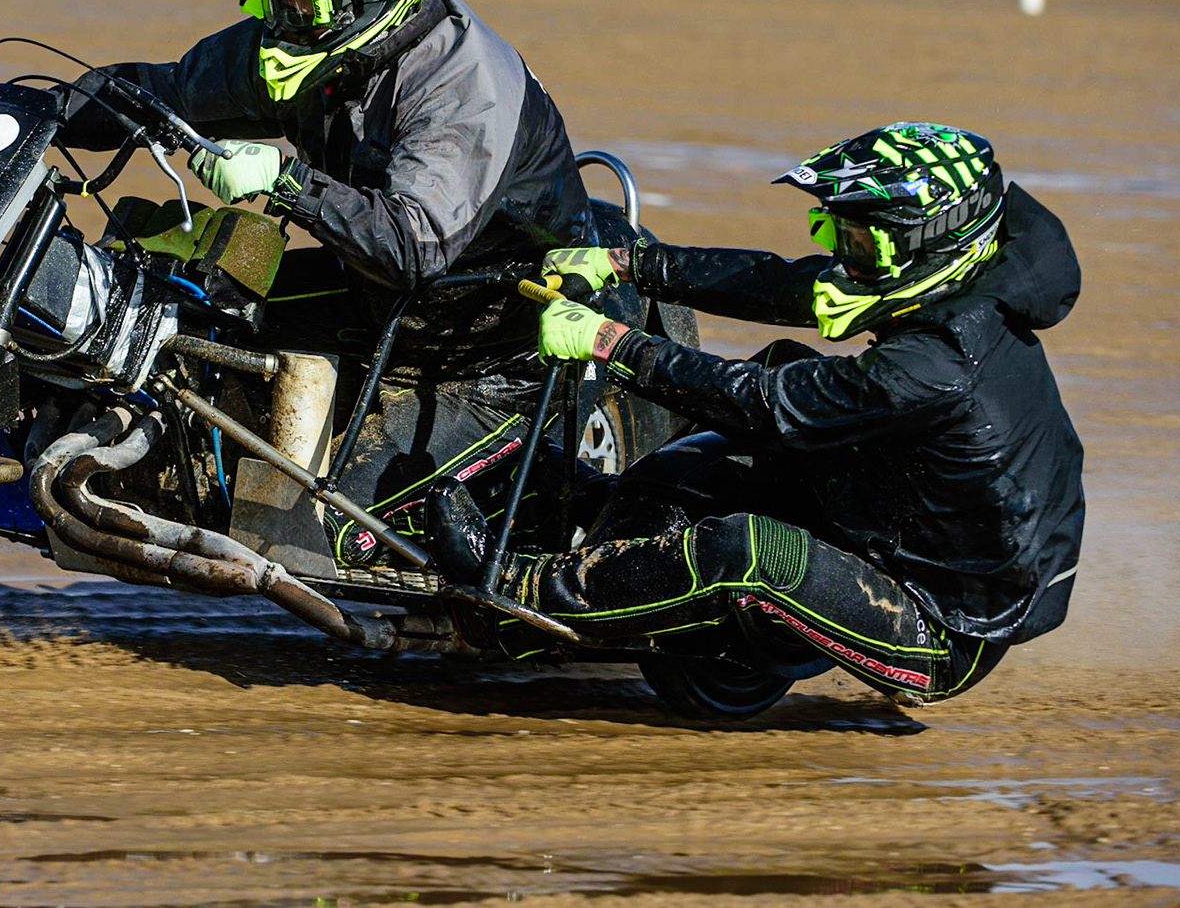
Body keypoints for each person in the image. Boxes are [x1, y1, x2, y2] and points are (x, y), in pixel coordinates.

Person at [441, 122, 1083, 708]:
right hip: (893, 515)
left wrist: (611, 343)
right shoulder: (964, 277)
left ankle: (519, 599)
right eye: (837, 230)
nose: (842, 252)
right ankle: (604, 519)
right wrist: (626, 262)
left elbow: (764, 401)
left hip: (938, 620)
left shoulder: (936, 363)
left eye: (859, 238)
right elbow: (781, 284)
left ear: (927, 241)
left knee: (754, 548)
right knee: (782, 358)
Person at [68, 0, 594, 565]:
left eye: (295, 2)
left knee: (335, 535)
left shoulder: (461, 84)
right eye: (266, 0)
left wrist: (286, 181)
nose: (277, 21)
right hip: (379, 301)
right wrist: (33, 108)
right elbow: (164, 93)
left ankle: (566, 508)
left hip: (490, 349)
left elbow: (411, 244)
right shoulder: (311, 45)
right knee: (171, 311)